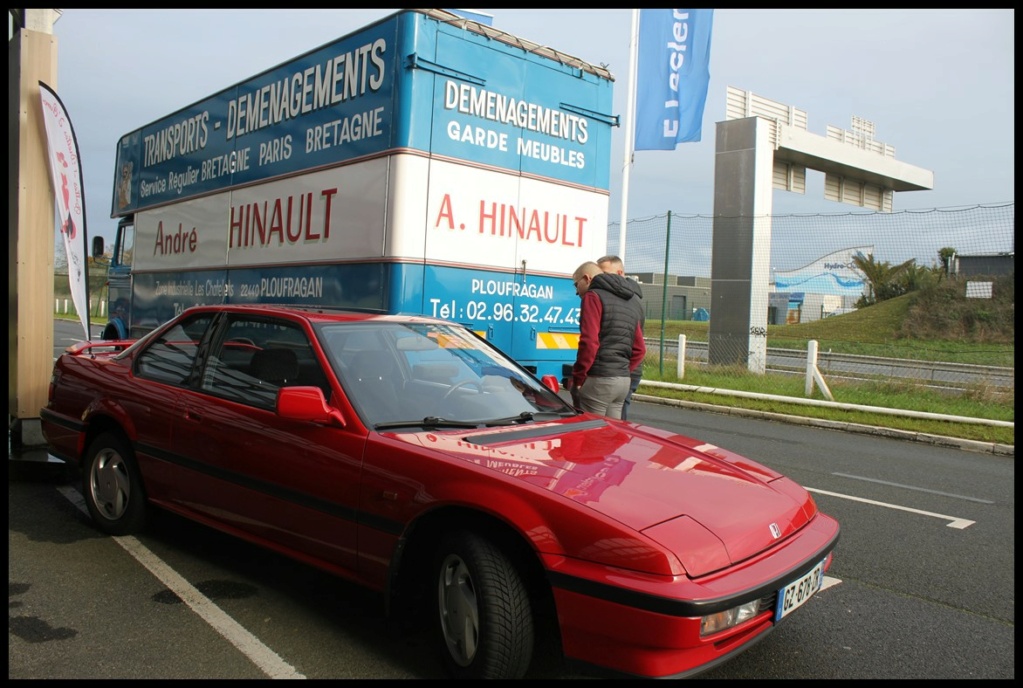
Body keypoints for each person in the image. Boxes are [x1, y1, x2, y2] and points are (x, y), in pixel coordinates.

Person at [568, 261, 645, 420]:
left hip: (600, 379)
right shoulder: (630, 300)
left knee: (590, 435)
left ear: (587, 278)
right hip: (623, 383)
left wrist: (578, 378)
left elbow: (589, 342)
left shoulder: (593, 296)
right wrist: (621, 370)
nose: (576, 292)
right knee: (611, 436)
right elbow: (640, 349)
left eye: (576, 285)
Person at [597, 255, 645, 420]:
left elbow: (638, 347)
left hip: (623, 369)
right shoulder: (630, 297)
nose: (600, 279)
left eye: (604, 273)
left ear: (619, 273)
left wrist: (623, 371)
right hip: (623, 369)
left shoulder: (629, 300)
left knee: (616, 425)